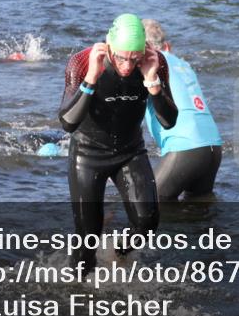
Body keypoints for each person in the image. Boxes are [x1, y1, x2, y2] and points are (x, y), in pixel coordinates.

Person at [58, 14, 178, 269]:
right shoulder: (81, 61)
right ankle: (77, 291)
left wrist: (153, 83)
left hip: (130, 151)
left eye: (134, 59)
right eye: (121, 57)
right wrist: (91, 78)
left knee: (147, 222)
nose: (126, 66)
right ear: (109, 45)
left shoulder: (155, 62)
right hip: (87, 155)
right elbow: (68, 123)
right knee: (87, 238)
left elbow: (169, 121)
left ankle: (118, 254)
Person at [141, 19, 223, 200]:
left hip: (186, 148)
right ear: (167, 46)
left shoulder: (148, 66)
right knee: (198, 213)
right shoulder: (184, 64)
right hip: (213, 146)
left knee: (147, 205)